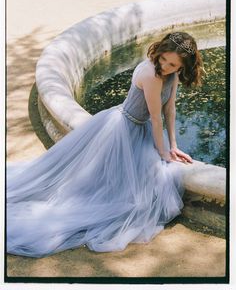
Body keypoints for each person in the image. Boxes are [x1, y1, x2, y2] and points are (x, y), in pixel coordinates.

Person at [7, 31, 204, 258]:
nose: (166, 66)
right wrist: (162, 153)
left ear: (182, 65)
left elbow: (169, 109)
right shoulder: (151, 74)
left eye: (173, 65)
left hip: (143, 129)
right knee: (104, 190)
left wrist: (173, 145)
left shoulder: (173, 74)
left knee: (148, 183)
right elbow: (155, 116)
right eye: (164, 60)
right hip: (123, 127)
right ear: (159, 52)